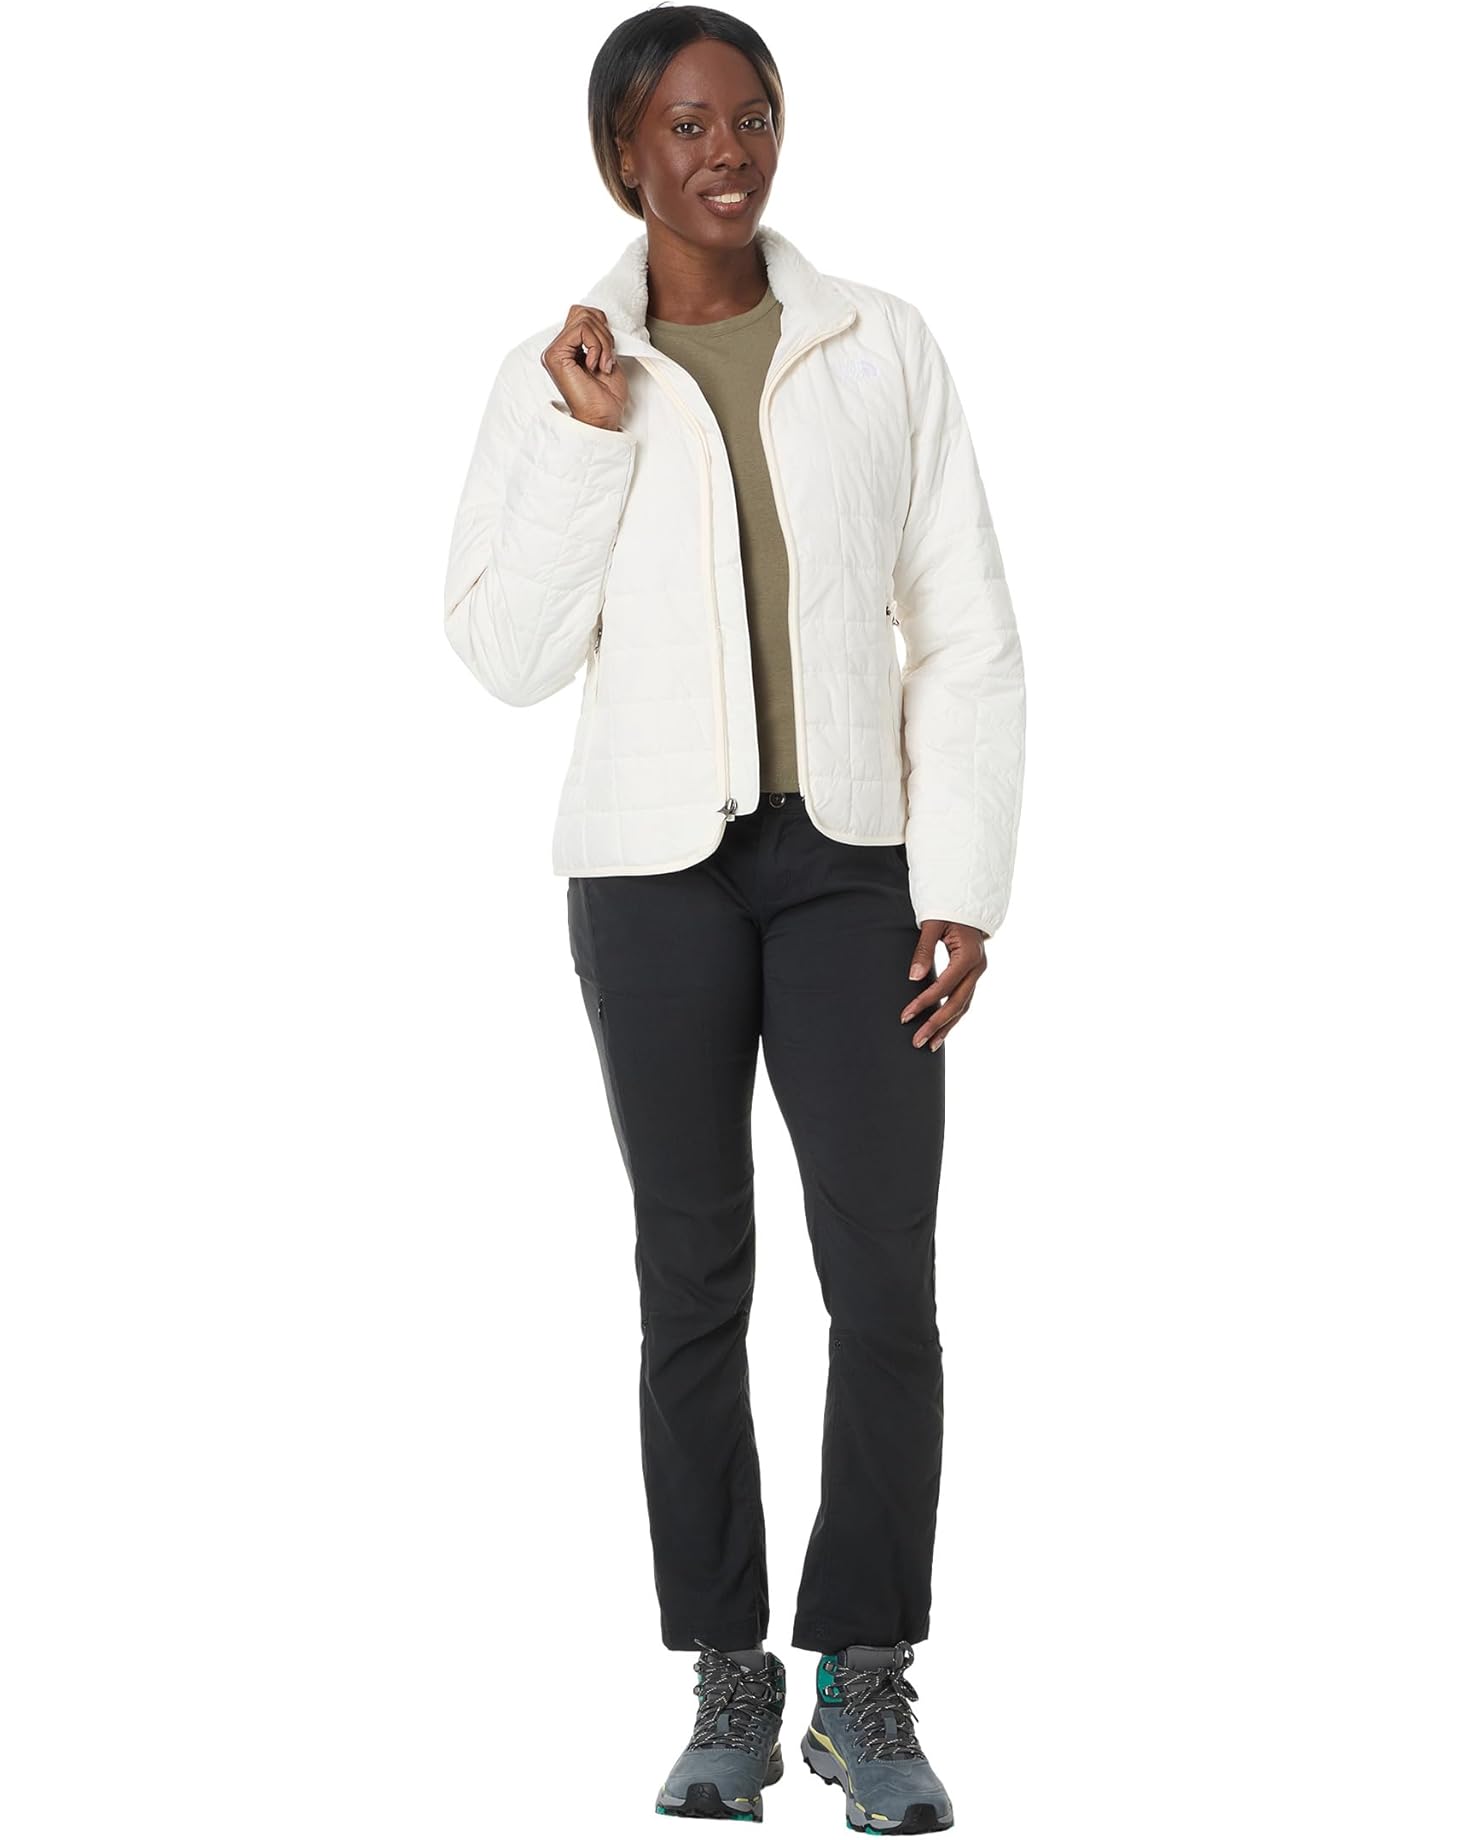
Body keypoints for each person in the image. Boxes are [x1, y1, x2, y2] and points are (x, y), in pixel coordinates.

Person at [442, 7, 1025, 1828]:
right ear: (624, 152)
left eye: (753, 115)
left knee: (886, 1279)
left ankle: (864, 1674)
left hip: (853, 869)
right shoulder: (563, 371)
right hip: (651, 876)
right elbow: (504, 652)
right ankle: (726, 1670)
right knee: (693, 1276)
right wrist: (583, 438)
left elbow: (967, 628)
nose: (729, 150)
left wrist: (964, 887)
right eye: (689, 123)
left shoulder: (879, 344)